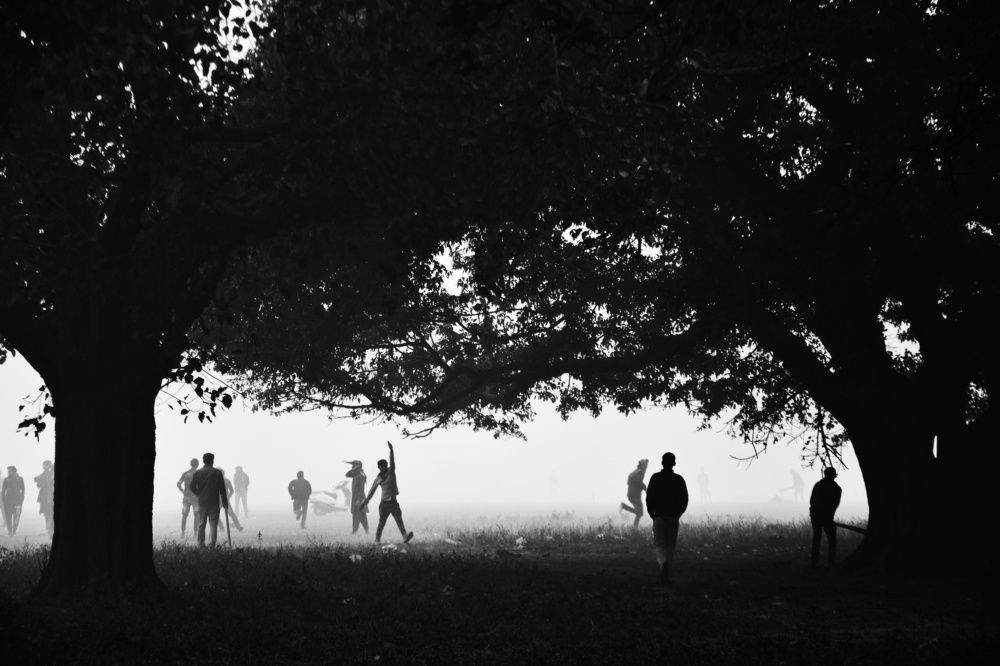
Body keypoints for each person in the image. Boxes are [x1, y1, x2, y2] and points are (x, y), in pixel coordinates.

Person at [645, 452, 688, 585]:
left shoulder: (655, 478)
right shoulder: (679, 479)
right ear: (674, 463)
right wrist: (677, 514)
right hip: (673, 517)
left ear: (662, 463)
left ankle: (663, 564)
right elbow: (684, 500)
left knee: (660, 545)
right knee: (670, 545)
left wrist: (652, 514)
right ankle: (666, 567)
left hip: (659, 516)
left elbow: (649, 498)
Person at [360, 441, 413, 544]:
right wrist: (364, 503)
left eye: (385, 465)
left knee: (399, 520)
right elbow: (371, 492)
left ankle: (405, 536)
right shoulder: (378, 478)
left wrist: (391, 451)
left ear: (387, 465)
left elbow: (393, 463)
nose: (383, 467)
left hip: (393, 502)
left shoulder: (391, 472)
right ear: (379, 467)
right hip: (384, 504)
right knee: (381, 523)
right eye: (381, 466)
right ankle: (377, 540)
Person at [189, 452, 228, 547]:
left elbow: (191, 486)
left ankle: (200, 544)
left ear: (203, 461)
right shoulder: (217, 473)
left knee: (201, 523)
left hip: (202, 502)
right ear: (212, 461)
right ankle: (212, 544)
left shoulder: (198, 472)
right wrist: (224, 501)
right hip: (214, 502)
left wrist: (199, 494)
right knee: (213, 523)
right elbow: (222, 489)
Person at [809, 467, 842, 569]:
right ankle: (830, 563)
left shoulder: (818, 485)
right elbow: (834, 505)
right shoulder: (836, 488)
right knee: (831, 541)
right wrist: (828, 516)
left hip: (816, 516)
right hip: (826, 517)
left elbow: (812, 501)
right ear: (834, 475)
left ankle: (814, 563)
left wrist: (815, 513)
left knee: (817, 539)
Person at [619, 459, 649, 527]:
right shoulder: (640, 472)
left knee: (639, 513)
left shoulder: (634, 472)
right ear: (641, 465)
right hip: (635, 496)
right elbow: (639, 482)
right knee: (640, 513)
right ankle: (624, 506)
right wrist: (645, 488)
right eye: (645, 465)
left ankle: (635, 528)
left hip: (630, 494)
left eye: (647, 465)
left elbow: (628, 482)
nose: (646, 466)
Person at [176, 458, 201, 538]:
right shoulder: (199, 473)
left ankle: (183, 533)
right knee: (196, 515)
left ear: (190, 464)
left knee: (184, 515)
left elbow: (178, 483)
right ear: (197, 465)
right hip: (195, 498)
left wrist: (182, 491)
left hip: (186, 497)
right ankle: (195, 534)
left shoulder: (185, 473)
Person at [344, 460, 369, 535]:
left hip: (358, 498)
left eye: (354, 465)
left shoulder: (360, 475)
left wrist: (359, 499)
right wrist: (354, 469)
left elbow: (361, 488)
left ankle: (354, 531)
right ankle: (367, 531)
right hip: (356, 498)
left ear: (358, 466)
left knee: (356, 515)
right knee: (362, 516)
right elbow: (347, 474)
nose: (352, 466)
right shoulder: (356, 474)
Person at [2, 466, 25, 537]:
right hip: (8, 501)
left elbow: (23, 489)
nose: (8, 472)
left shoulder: (20, 479)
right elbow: (3, 491)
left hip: (17, 501)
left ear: (14, 471)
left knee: (16, 517)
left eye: (10, 471)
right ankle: (10, 531)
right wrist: (3, 500)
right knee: (8, 517)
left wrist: (22, 499)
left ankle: (14, 531)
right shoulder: (6, 480)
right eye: (8, 471)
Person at [34, 460, 54, 536]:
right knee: (45, 513)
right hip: (43, 496)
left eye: (45, 465)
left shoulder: (52, 473)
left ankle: (49, 528)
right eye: (43, 465)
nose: (44, 467)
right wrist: (40, 482)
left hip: (50, 496)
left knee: (50, 513)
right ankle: (47, 528)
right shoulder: (43, 474)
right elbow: (38, 484)